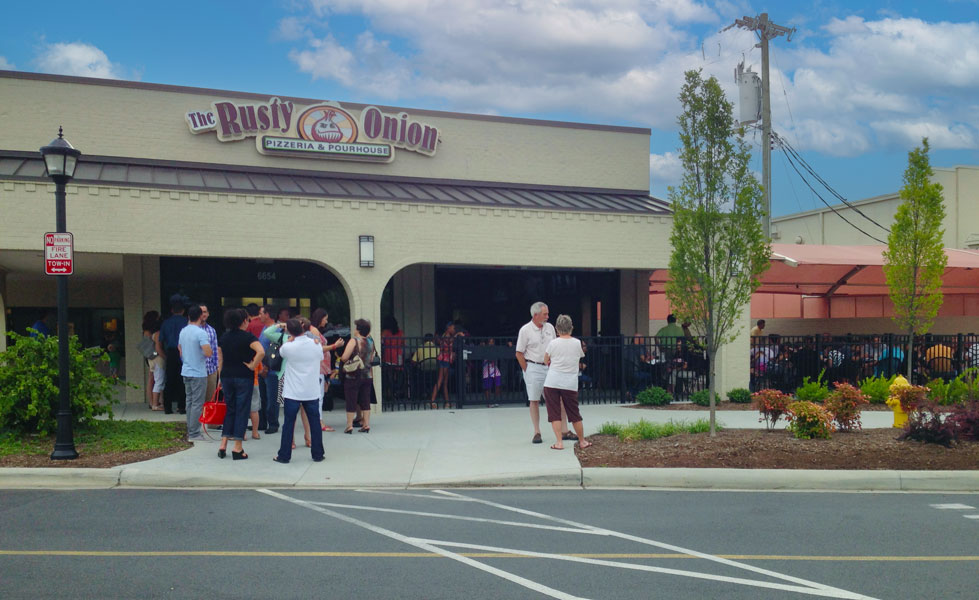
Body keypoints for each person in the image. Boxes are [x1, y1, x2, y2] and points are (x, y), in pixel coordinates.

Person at [515, 301, 571, 444]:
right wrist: (527, 370)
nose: (547, 316)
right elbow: (519, 353)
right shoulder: (525, 330)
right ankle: (537, 432)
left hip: (549, 367)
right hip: (533, 366)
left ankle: (564, 430)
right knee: (534, 400)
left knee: (559, 399)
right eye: (545, 314)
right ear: (536, 315)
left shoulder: (550, 328)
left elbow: (554, 346)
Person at [273, 318, 325, 464]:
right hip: (311, 390)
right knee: (314, 423)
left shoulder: (288, 347)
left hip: (293, 391)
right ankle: (318, 454)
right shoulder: (315, 345)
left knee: (288, 424)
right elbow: (321, 356)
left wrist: (289, 340)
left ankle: (284, 455)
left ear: (290, 331)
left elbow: (282, 353)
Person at [216, 308, 264, 461]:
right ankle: (237, 447)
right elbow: (261, 352)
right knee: (242, 409)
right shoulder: (248, 337)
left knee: (230, 409)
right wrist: (252, 365)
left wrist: (220, 378)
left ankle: (223, 444)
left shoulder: (224, 337)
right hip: (244, 376)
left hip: (227, 376)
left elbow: (220, 360)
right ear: (244, 321)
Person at [542, 315, 592, 451]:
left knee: (554, 414)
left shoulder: (553, 343)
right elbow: (580, 356)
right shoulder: (577, 343)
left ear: (557, 329)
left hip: (552, 381)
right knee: (574, 413)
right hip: (570, 383)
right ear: (571, 328)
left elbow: (545, 360)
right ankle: (582, 441)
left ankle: (559, 442)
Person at [178, 304, 213, 442]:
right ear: (200, 316)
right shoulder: (201, 333)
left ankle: (190, 429)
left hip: (186, 370)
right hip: (198, 372)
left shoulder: (183, 331)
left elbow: (179, 348)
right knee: (198, 403)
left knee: (190, 401)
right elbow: (208, 352)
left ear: (188, 316)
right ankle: (194, 433)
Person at [340, 318, 375, 434]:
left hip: (353, 375)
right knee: (365, 400)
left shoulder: (354, 341)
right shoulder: (370, 342)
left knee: (351, 399)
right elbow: (371, 358)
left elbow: (344, 357)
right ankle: (366, 424)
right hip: (368, 375)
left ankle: (349, 425)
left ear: (358, 330)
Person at [262, 306, 292, 434]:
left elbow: (268, 335)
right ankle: (264, 422)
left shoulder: (282, 335)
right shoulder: (266, 329)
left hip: (274, 369)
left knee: (273, 399)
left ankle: (273, 423)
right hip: (264, 368)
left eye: (261, 313)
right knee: (265, 398)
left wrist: (280, 326)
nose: (259, 316)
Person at [159, 295, 188, 414]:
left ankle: (167, 407)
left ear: (172, 310)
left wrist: (164, 354)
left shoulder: (166, 323)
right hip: (184, 352)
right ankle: (182, 406)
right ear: (183, 311)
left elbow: (161, 340)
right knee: (182, 380)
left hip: (170, 351)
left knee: (169, 379)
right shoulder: (186, 322)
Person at [141, 311, 165, 411]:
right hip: (152, 355)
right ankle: (152, 402)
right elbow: (148, 346)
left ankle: (154, 401)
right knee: (152, 378)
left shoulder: (149, 329)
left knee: (153, 378)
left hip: (152, 355)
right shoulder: (148, 331)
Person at [430, 321, 456, 409]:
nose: (454, 330)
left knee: (445, 382)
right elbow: (449, 342)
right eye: (453, 328)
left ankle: (447, 402)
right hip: (444, 360)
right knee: (440, 380)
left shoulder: (446, 335)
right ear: (448, 328)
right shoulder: (447, 336)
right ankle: (432, 400)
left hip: (446, 360)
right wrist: (458, 335)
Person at [199, 304, 220, 408]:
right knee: (197, 400)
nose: (203, 314)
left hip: (211, 370)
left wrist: (217, 369)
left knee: (210, 400)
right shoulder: (191, 330)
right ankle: (197, 423)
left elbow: (215, 350)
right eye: (201, 312)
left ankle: (210, 424)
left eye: (205, 312)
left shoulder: (212, 330)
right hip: (197, 371)